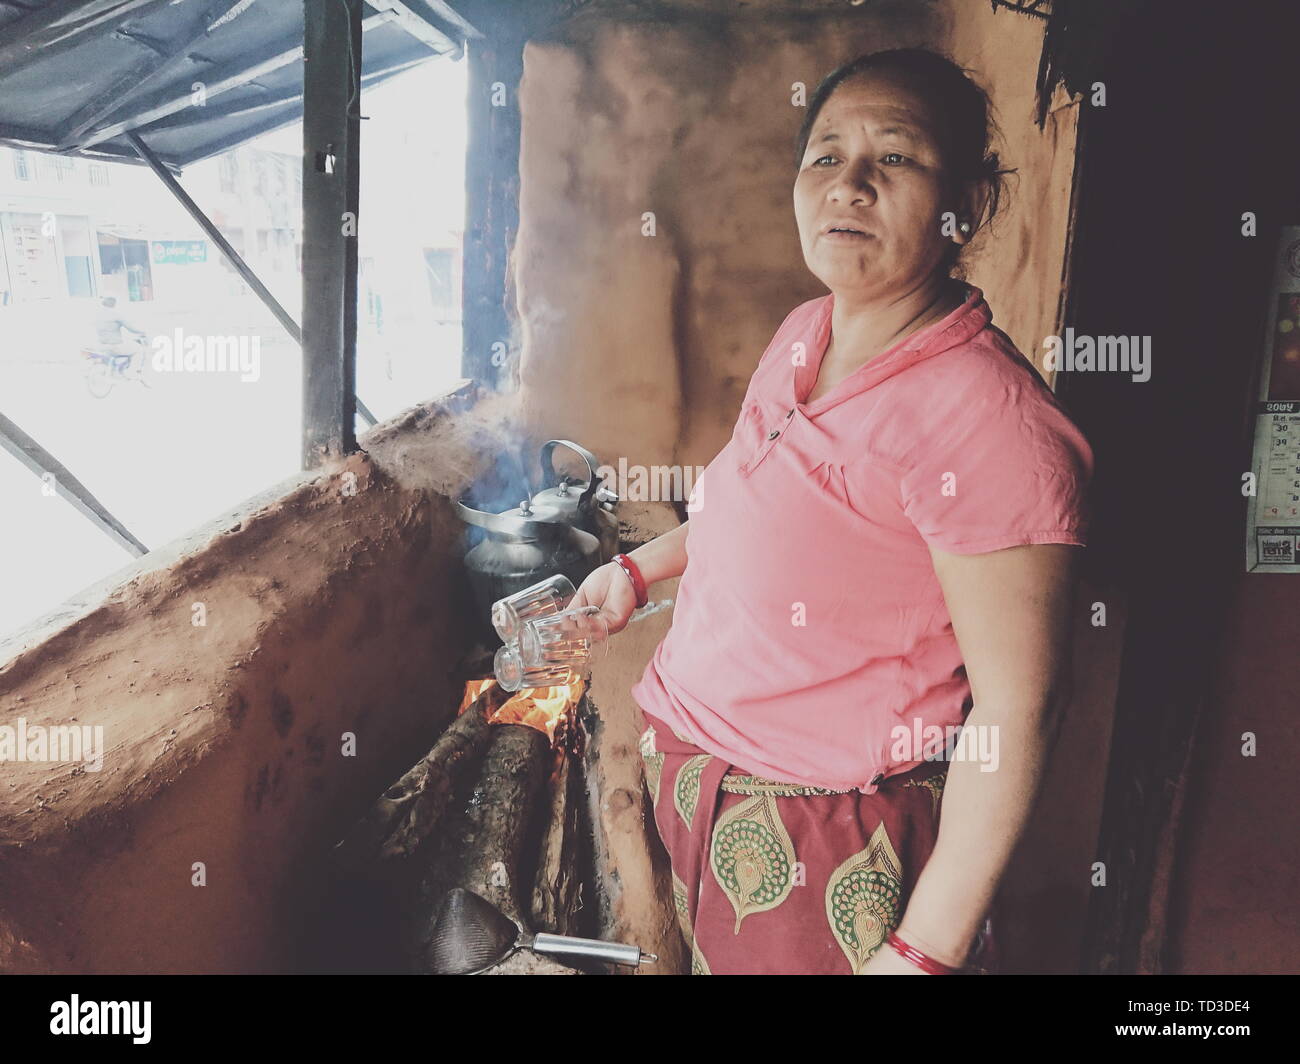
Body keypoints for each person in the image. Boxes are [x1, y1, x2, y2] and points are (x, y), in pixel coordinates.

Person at [572, 48, 1094, 975]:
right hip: (704, 785)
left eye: (894, 157)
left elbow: (1021, 708)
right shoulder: (806, 331)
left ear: (966, 202)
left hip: (827, 840)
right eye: (824, 156)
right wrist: (633, 572)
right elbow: (751, 508)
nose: (847, 184)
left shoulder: (988, 423)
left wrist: (924, 950)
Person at [92, 296, 148, 379]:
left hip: (102, 345)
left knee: (125, 346)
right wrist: (143, 332)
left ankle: (116, 372)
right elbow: (131, 328)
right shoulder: (116, 315)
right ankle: (132, 371)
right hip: (114, 346)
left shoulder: (98, 314)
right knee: (138, 349)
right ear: (114, 304)